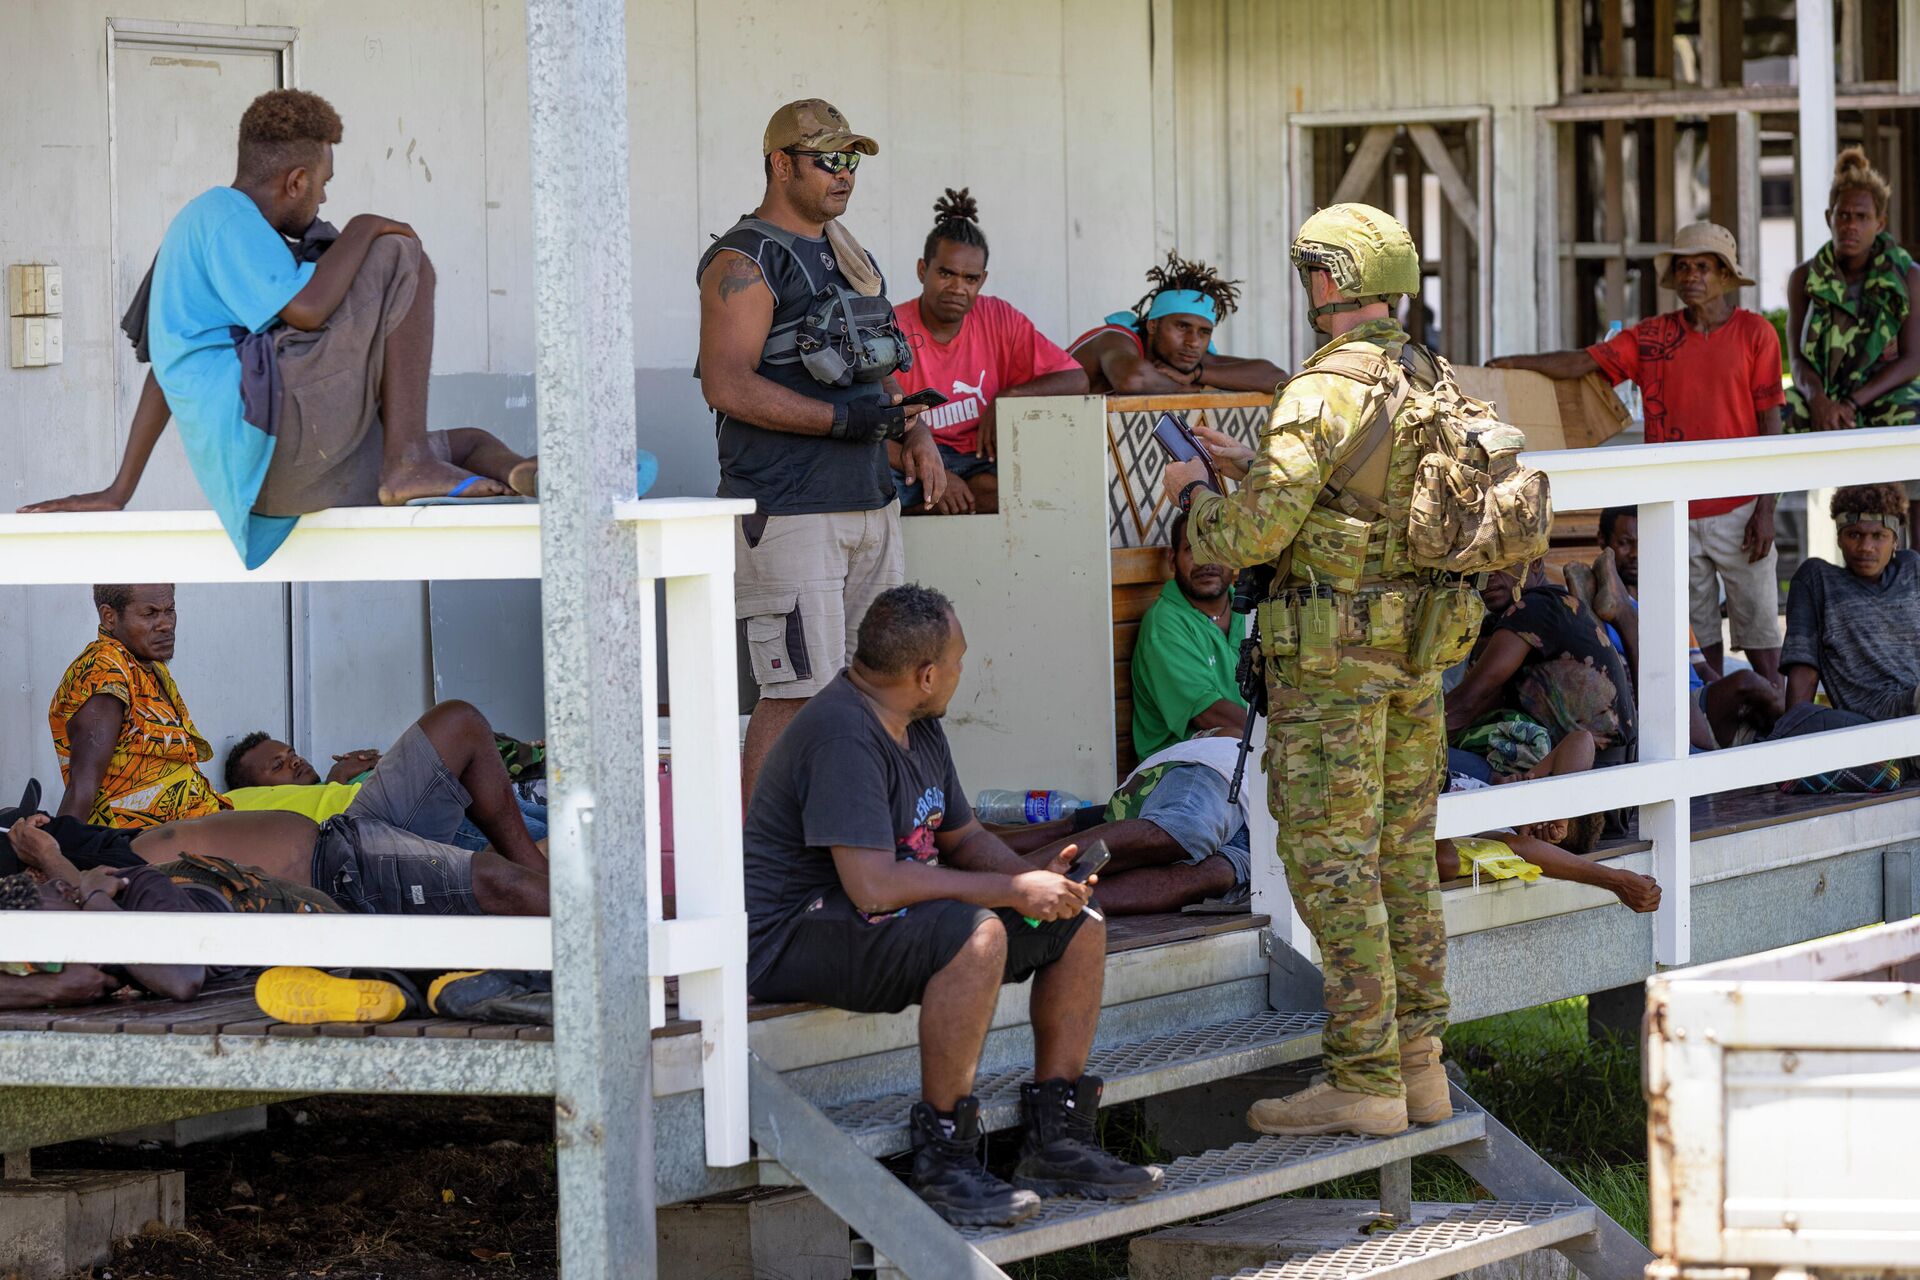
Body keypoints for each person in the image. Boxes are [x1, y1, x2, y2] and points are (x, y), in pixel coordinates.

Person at [1161, 203, 1460, 1138]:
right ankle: (1420, 1069)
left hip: (1333, 668)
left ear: (1326, 281)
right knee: (1404, 859)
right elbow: (1371, 501)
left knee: (1333, 863)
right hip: (1416, 653)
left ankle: (1363, 1079)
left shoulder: (1319, 390)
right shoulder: (1428, 378)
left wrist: (1199, 498)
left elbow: (1252, 535)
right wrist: (1257, 464)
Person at [743, 584, 1161, 1225]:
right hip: (793, 936)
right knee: (981, 934)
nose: (964, 673)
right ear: (926, 674)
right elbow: (873, 887)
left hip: (873, 919)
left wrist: (1034, 881)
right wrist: (1007, 893)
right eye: (960, 662)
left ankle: (1059, 1142)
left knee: (1079, 923)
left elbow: (962, 838)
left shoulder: (917, 722)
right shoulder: (842, 736)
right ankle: (945, 1159)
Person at [17, 89, 537, 566]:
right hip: (274, 438)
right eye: (324, 185)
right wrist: (363, 227)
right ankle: (407, 463)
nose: (324, 202)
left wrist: (119, 490)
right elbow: (308, 311)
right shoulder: (223, 216)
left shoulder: (211, 235)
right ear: (296, 181)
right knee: (401, 255)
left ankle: (520, 472)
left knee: (469, 443)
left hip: (270, 480)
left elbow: (167, 371)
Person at [696, 99, 943, 796]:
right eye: (827, 159)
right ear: (780, 164)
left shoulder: (847, 252)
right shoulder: (744, 259)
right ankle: (759, 882)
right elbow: (727, 385)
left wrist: (914, 430)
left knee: (885, 686)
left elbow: (880, 370)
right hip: (791, 509)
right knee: (797, 692)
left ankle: (857, 859)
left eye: (851, 159)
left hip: (869, 501)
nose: (844, 175)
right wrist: (841, 425)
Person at [1491, 222, 1785, 686]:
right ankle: (1712, 719)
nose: (1691, 276)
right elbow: (1584, 361)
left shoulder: (1757, 333)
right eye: (1683, 267)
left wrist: (1766, 508)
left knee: (1763, 636)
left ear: (1726, 276)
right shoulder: (1652, 337)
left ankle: (1783, 736)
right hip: (1674, 509)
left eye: (1703, 267)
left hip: (1740, 508)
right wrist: (1514, 363)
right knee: (1696, 637)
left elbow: (1772, 422)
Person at [889, 189, 1089, 515]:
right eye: (946, 273)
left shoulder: (998, 317)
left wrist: (1010, 396)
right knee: (868, 484)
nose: (957, 288)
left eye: (969, 278)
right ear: (922, 269)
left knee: (1042, 497)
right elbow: (865, 431)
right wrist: (937, 476)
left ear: (982, 281)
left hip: (981, 462)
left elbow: (1076, 379)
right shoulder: (891, 327)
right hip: (911, 459)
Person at [1572, 507, 1781, 750]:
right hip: (1651, 699)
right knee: (1749, 683)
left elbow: (1700, 666)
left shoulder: (1665, 599)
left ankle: (1790, 741)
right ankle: (1797, 741)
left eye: (1644, 542)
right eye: (1625, 543)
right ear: (1602, 540)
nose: (1636, 553)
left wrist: (1726, 693)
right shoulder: (1598, 608)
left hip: (1697, 702)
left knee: (1759, 696)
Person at [222, 711, 549, 854]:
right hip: (421, 821)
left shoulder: (338, 780)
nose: (293, 760)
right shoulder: (238, 804)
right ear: (259, 791)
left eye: (291, 752)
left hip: (458, 796)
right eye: (277, 764)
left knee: (557, 827)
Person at [50, 584, 229, 829]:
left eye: (170, 610)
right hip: (150, 845)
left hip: (195, 828)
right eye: (150, 614)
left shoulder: (144, 664)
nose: (166, 624)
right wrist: (53, 856)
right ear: (109, 617)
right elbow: (82, 785)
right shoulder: (105, 670)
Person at [1785, 148, 1920, 439]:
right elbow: (1797, 359)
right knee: (1781, 411)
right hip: (1822, 396)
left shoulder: (1908, 276)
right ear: (1828, 217)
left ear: (1879, 223)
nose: (1850, 225)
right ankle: (1782, 487)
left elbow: (1913, 359)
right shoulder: (1804, 278)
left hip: (1880, 393)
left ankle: (1902, 488)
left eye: (1862, 217)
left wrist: (1851, 403)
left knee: (1914, 409)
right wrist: (1818, 400)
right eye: (1843, 215)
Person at [1447, 562, 1638, 764]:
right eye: (1480, 565)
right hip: (1606, 766)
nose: (1487, 574)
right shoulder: (1557, 605)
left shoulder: (1535, 607)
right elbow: (1478, 707)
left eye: (1502, 562)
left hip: (1588, 769)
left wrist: (1416, 735)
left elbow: (1467, 702)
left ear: (1535, 563)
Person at [1780, 483, 1920, 727]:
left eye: (1878, 536)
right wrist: (1791, 734)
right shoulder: (1817, 579)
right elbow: (1803, 669)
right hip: (1872, 714)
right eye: (1854, 534)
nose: (1866, 547)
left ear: (1895, 540)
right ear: (1839, 538)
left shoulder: (1911, 568)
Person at [1069, 253, 1287, 395]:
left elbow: (1275, 377)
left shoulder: (1187, 358)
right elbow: (1134, 379)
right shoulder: (1115, 337)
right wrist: (1191, 387)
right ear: (1153, 326)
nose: (1193, 342)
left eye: (1204, 332)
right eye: (1182, 327)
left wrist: (1199, 374)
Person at [1130, 510, 1247, 759]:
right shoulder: (1164, 623)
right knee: (1235, 739)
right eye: (1193, 549)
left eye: (1216, 548)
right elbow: (1207, 714)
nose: (1206, 561)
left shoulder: (1250, 609)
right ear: (1172, 560)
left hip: (1249, 748)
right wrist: (1276, 735)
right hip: (1173, 765)